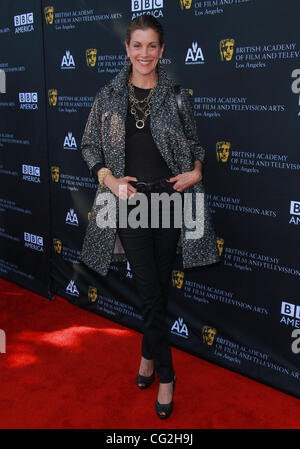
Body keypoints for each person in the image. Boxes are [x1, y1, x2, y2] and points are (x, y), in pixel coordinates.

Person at [79, 15, 220, 419]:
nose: (144, 53)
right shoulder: (107, 96)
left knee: (158, 288)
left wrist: (196, 170)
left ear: (161, 50)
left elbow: (196, 146)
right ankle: (167, 375)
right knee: (148, 292)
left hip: (170, 201)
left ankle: (145, 355)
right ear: (126, 49)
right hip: (130, 204)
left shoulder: (176, 95)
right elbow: (89, 147)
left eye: (152, 46)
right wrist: (108, 179)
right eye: (137, 45)